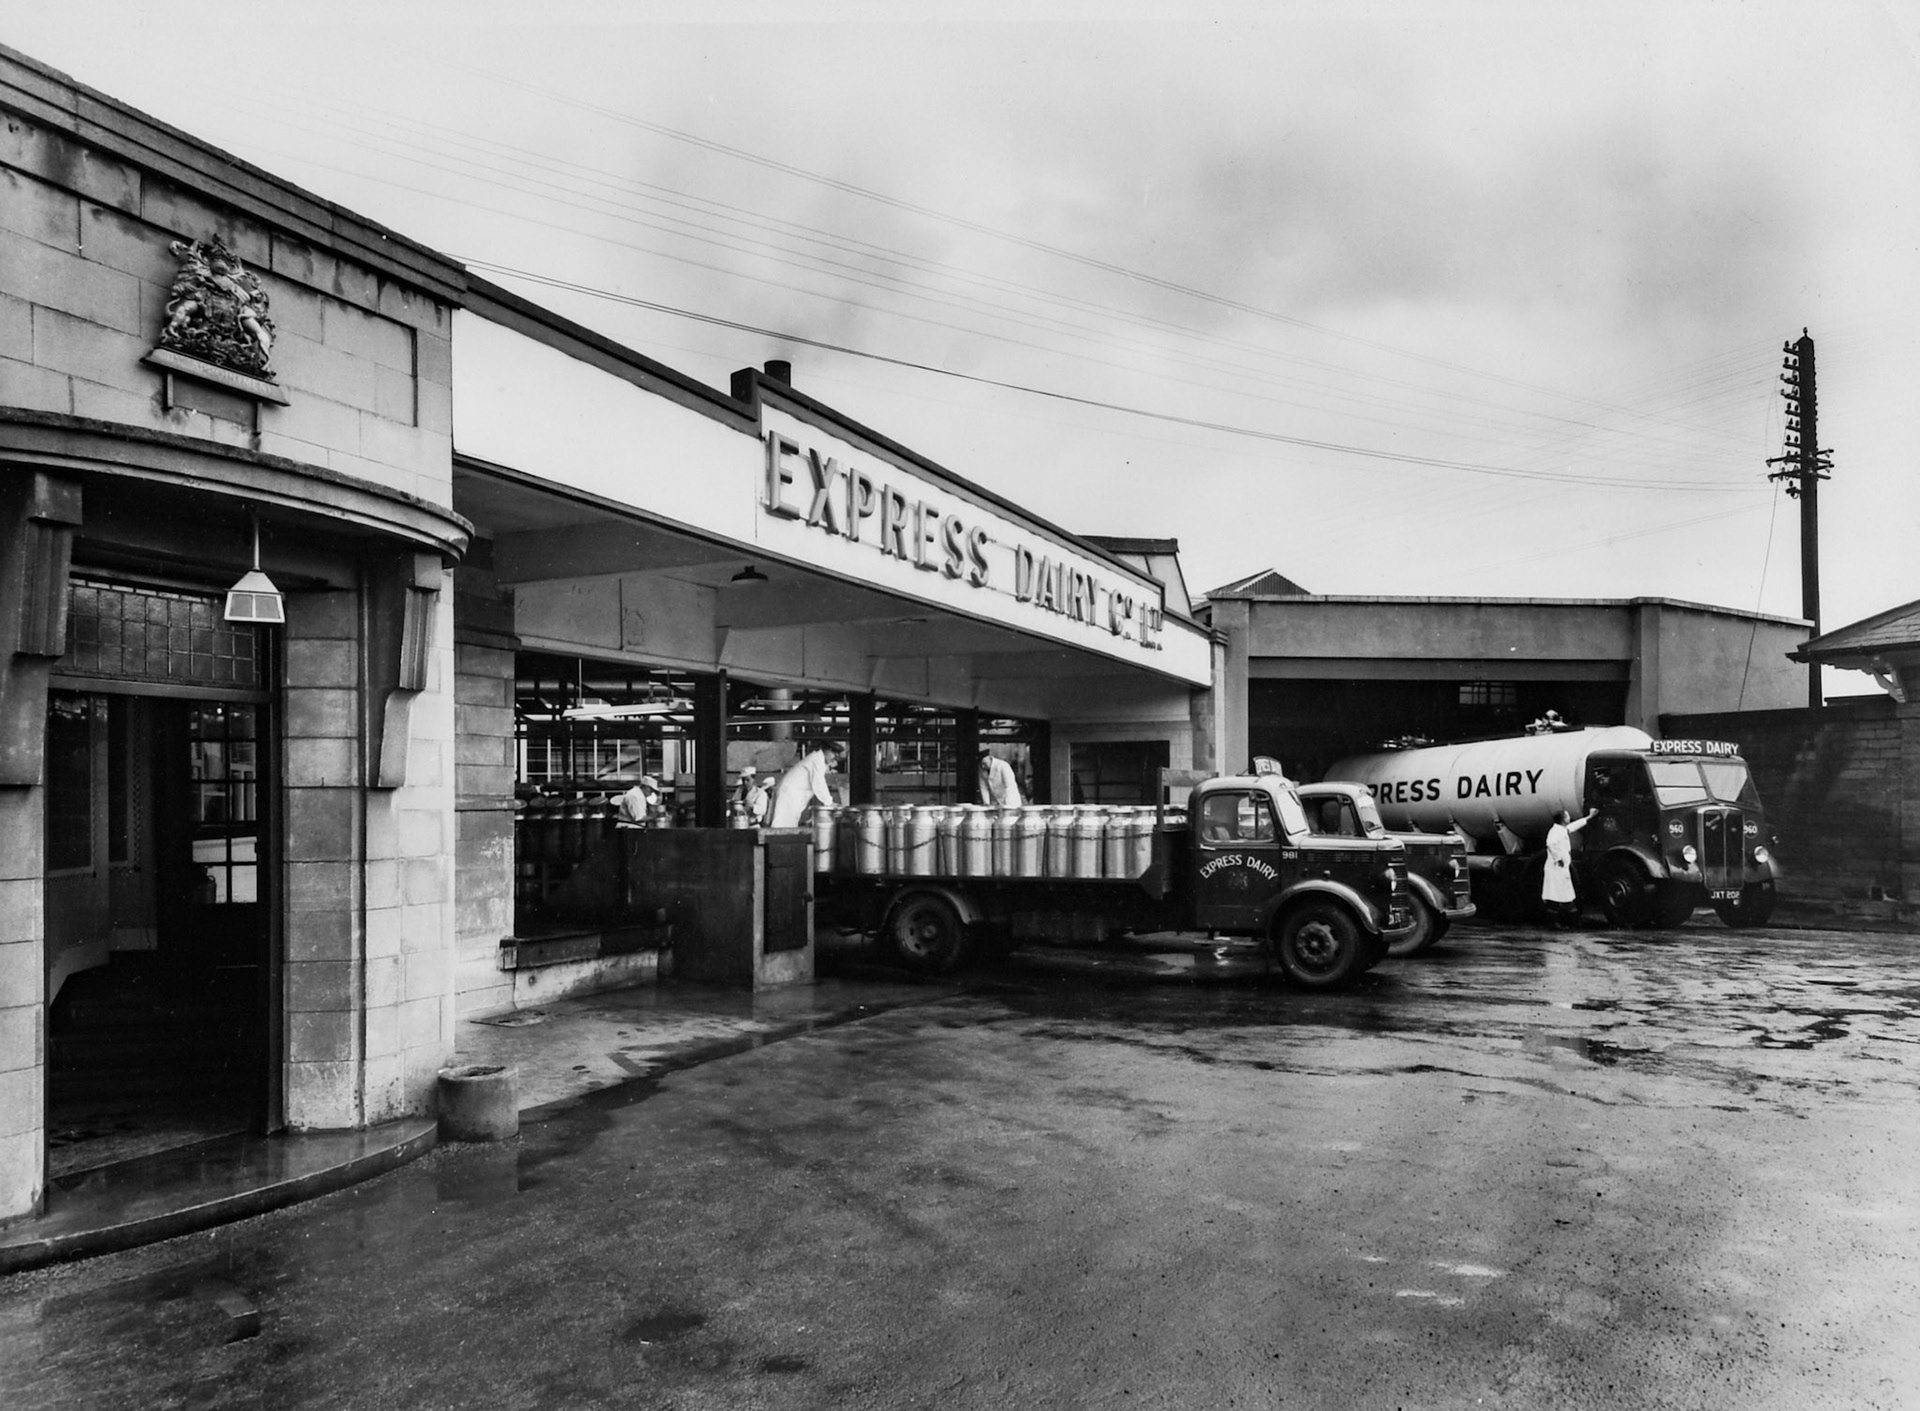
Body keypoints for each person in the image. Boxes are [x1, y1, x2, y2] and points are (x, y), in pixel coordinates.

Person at [1542, 806, 1598, 926]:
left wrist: (1589, 817)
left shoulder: (1561, 829)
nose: (1569, 818)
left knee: (1563, 895)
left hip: (1561, 868)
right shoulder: (1556, 831)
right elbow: (1550, 844)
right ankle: (1557, 923)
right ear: (1563, 819)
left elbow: (1572, 827)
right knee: (1555, 896)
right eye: (1567, 816)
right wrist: (1558, 858)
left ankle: (1568, 921)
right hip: (1556, 867)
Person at [770, 740, 845, 827]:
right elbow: (819, 784)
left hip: (793, 796)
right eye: (834, 754)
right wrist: (829, 803)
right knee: (783, 825)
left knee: (788, 824)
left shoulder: (820, 760)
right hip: (789, 794)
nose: (834, 758)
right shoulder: (817, 759)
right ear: (827, 750)